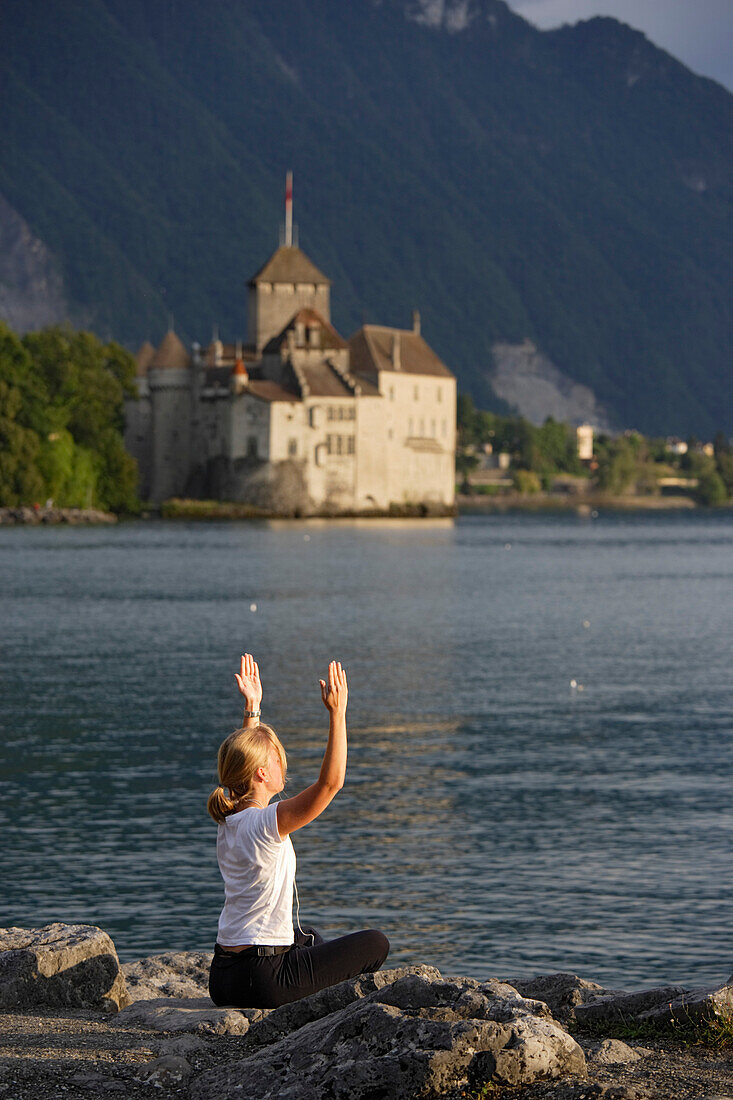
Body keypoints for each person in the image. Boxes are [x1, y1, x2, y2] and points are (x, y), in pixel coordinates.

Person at [207, 653, 389, 1008]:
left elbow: (242, 765)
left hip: (224, 976)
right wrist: (338, 714)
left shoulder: (229, 819)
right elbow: (330, 784)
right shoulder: (265, 823)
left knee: (312, 940)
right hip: (264, 980)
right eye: (276, 757)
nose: (282, 762)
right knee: (375, 943)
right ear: (261, 773)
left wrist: (253, 708)